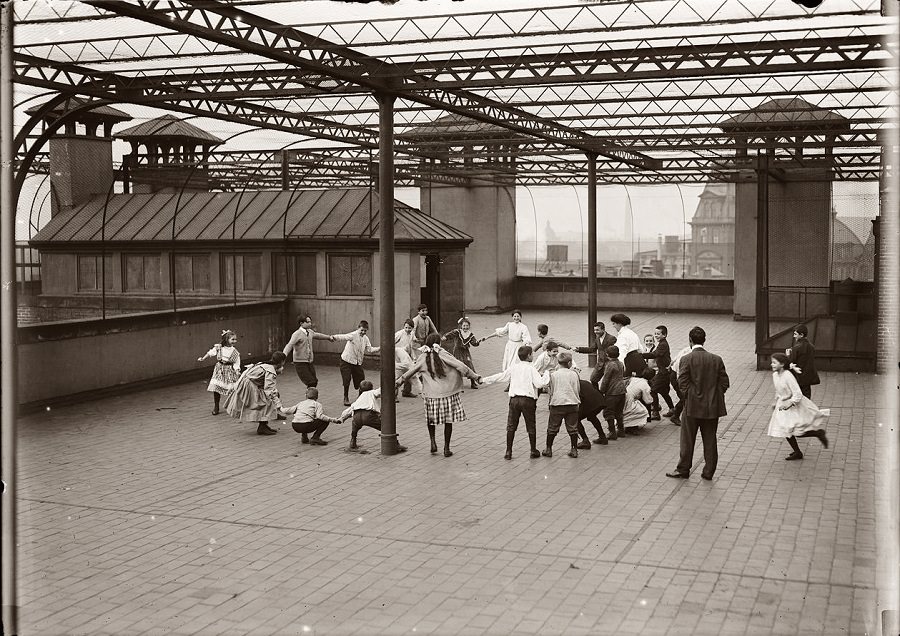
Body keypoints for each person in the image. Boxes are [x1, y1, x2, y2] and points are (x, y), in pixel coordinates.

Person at [396, 333, 480, 457]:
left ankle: (433, 442)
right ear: (438, 343)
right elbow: (460, 365)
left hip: (431, 395)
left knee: (431, 420)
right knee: (448, 421)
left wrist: (399, 381)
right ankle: (446, 448)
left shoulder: (423, 357)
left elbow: (411, 371)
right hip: (448, 393)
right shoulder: (443, 354)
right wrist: (475, 376)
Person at [667, 326, 730, 480]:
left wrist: (691, 395)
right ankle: (709, 471)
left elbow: (682, 383)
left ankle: (683, 469)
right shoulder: (716, 359)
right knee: (710, 439)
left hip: (692, 406)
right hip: (712, 407)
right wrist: (714, 395)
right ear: (704, 340)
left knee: (688, 439)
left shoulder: (686, 358)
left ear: (690, 340)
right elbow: (724, 383)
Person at [481, 345, 550, 460]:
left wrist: (484, 379)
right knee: (530, 425)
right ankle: (533, 450)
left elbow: (501, 377)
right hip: (528, 400)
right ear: (528, 356)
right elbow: (539, 384)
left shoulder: (514, 367)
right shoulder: (531, 368)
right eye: (532, 354)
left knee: (511, 426)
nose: (533, 356)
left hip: (514, 400)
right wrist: (547, 374)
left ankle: (508, 451)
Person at [767, 353, 829, 460]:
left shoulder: (788, 376)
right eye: (772, 362)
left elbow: (798, 393)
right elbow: (778, 390)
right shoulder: (775, 375)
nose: (771, 364)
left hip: (794, 406)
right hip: (783, 405)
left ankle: (818, 433)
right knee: (785, 429)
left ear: (782, 364)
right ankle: (797, 452)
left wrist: (789, 404)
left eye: (774, 362)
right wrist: (775, 400)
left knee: (797, 431)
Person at [223, 351, 286, 436]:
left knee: (264, 402)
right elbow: (270, 389)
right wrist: (278, 404)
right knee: (265, 403)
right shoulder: (270, 370)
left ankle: (264, 425)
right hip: (251, 386)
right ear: (282, 362)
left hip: (248, 383)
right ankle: (262, 427)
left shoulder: (264, 364)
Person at [339, 380, 407, 452]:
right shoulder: (372, 392)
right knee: (385, 427)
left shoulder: (359, 399)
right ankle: (395, 444)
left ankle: (353, 442)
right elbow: (382, 390)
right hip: (369, 415)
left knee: (355, 426)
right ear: (372, 388)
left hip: (357, 415)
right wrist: (394, 384)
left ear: (360, 389)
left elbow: (349, 410)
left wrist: (341, 418)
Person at [542, 352, 582, 458]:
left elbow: (551, 391)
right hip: (572, 403)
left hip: (557, 403)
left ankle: (548, 449)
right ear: (569, 363)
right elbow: (577, 389)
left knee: (552, 428)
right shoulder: (574, 374)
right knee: (573, 428)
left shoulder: (554, 375)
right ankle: (574, 449)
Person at [332, 320, 380, 406]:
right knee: (346, 379)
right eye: (361, 330)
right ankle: (345, 397)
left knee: (361, 380)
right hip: (346, 361)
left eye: (365, 331)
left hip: (357, 363)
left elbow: (369, 349)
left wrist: (380, 348)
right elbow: (343, 337)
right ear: (358, 328)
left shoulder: (365, 339)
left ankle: (360, 398)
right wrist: (333, 337)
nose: (363, 332)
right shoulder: (353, 335)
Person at [282, 314, 334, 390]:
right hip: (300, 362)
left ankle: (309, 397)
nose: (310, 323)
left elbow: (318, 335)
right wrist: (283, 356)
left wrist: (328, 337)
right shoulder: (297, 334)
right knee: (311, 382)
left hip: (309, 362)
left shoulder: (310, 332)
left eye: (310, 321)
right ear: (301, 323)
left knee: (314, 381)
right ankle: (309, 399)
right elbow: (289, 345)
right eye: (308, 322)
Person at [198, 329, 241, 416]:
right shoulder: (219, 347)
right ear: (226, 339)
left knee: (232, 388)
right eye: (232, 339)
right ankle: (216, 406)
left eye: (235, 339)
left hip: (229, 370)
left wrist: (237, 370)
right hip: (219, 369)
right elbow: (211, 353)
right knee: (216, 387)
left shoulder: (235, 352)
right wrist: (203, 358)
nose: (234, 341)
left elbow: (236, 362)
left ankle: (233, 406)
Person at [642, 325, 675, 420]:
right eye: (655, 333)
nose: (656, 335)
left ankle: (655, 412)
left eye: (658, 334)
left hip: (663, 372)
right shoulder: (662, 343)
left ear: (664, 335)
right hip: (665, 371)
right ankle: (672, 409)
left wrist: (640, 355)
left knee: (653, 390)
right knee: (664, 392)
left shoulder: (663, 344)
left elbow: (654, 354)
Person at [442, 317, 483, 390]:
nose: (465, 327)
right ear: (461, 326)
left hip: (465, 352)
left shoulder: (470, 335)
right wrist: (445, 337)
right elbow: (451, 334)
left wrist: (478, 342)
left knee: (469, 365)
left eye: (467, 326)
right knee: (457, 366)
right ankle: (455, 383)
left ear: (469, 326)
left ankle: (473, 382)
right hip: (457, 352)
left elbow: (474, 343)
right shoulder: (457, 332)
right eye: (464, 326)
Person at [574, 321, 617, 390]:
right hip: (600, 364)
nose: (595, 332)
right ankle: (598, 395)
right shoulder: (597, 338)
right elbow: (592, 349)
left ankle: (606, 397)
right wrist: (579, 349)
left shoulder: (612, 338)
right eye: (594, 330)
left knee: (607, 383)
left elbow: (614, 352)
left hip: (609, 364)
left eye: (597, 330)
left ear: (603, 329)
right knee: (593, 379)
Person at [598, 345, 627, 440]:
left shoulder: (610, 365)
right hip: (622, 390)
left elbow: (606, 379)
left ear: (607, 355)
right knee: (619, 411)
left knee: (608, 412)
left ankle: (612, 432)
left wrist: (601, 391)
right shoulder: (620, 363)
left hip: (612, 392)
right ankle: (621, 430)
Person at [786, 324, 820, 399]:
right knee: (807, 397)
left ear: (801, 335)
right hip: (808, 377)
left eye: (795, 334)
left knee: (798, 397)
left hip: (798, 376)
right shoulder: (811, 346)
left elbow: (791, 362)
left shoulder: (796, 348)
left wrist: (788, 355)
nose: (794, 336)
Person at [622, 368, 655, 435]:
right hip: (630, 399)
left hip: (623, 396)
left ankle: (628, 426)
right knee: (642, 411)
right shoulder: (646, 385)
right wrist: (652, 400)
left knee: (628, 411)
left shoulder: (634, 379)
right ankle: (632, 427)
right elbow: (647, 400)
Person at [576, 380, 608, 448]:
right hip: (600, 401)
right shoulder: (583, 382)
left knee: (575, 419)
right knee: (592, 416)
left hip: (592, 403)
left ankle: (585, 441)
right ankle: (602, 437)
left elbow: (579, 399)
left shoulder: (574, 385)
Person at [667, 343, 692, 426]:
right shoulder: (687, 356)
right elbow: (679, 373)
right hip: (676, 376)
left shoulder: (688, 349)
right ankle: (675, 415)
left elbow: (674, 358)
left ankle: (676, 412)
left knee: (684, 397)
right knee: (684, 397)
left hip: (676, 374)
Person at [395, 319, 420, 397]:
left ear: (412, 328)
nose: (407, 329)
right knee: (397, 375)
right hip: (398, 356)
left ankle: (406, 391)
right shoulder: (399, 333)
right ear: (404, 327)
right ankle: (394, 395)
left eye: (409, 328)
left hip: (407, 355)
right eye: (406, 327)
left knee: (410, 372)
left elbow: (413, 340)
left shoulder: (412, 333)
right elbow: (392, 342)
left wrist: (417, 340)